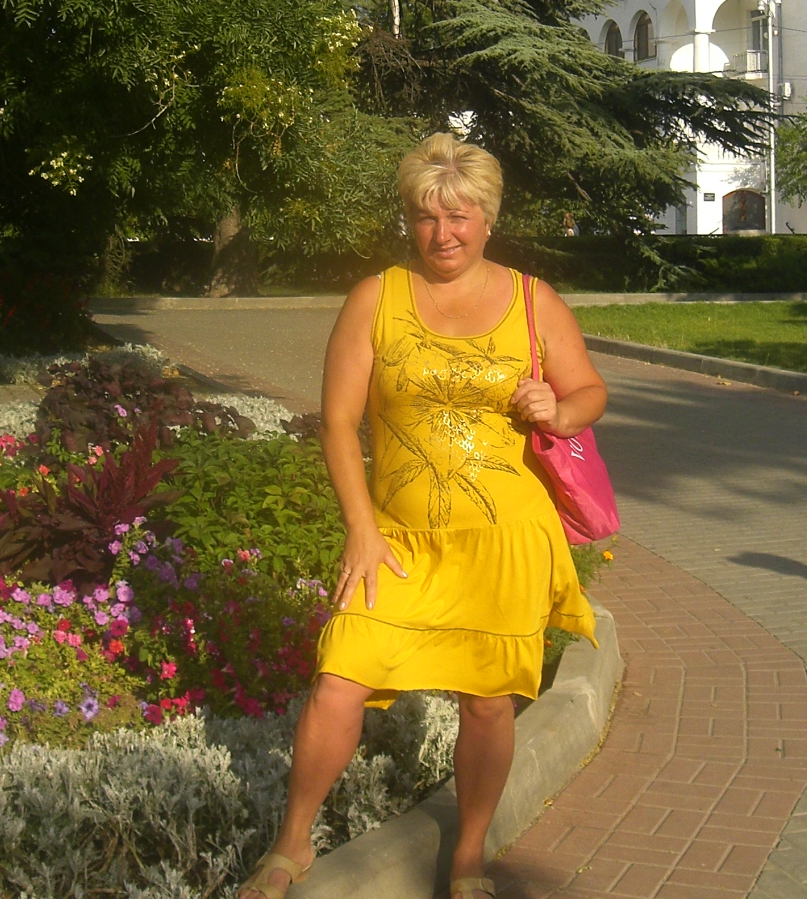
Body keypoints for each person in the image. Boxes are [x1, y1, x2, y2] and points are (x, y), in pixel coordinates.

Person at [237, 133, 608, 899]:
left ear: (488, 218)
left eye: (460, 216)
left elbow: (589, 392)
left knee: (487, 704)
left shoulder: (534, 300)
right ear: (409, 219)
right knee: (339, 679)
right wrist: (361, 528)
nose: (444, 234)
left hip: (504, 541)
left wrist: (560, 410)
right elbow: (339, 421)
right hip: (397, 541)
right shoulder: (377, 297)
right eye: (427, 217)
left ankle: (468, 856)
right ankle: (292, 843)